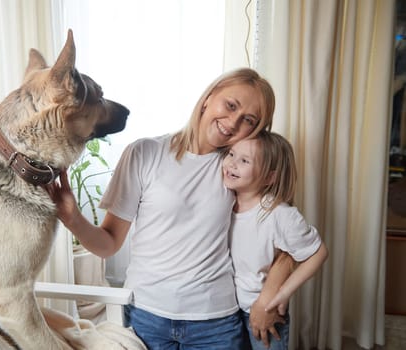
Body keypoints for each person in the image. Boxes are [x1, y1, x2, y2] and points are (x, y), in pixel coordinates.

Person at [46, 68, 292, 349]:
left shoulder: (239, 169)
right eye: (231, 105)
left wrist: (268, 297)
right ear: (209, 98)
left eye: (248, 120)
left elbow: (287, 239)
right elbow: (109, 244)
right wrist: (71, 217)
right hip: (147, 317)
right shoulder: (144, 153)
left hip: (216, 322)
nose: (233, 122)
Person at [222, 130, 329, 349]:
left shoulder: (279, 213)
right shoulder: (224, 200)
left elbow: (318, 253)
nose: (231, 164)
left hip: (264, 310)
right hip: (228, 311)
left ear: (270, 177)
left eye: (244, 160)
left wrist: (282, 294)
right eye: (231, 154)